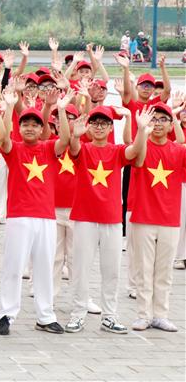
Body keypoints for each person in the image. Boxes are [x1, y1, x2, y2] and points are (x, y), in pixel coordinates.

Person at [65, 105, 152, 334]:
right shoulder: (84, 149)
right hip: (84, 217)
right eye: (95, 123)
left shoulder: (116, 150)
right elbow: (73, 149)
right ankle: (78, 314)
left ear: (111, 127)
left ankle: (109, 316)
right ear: (89, 127)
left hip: (112, 219)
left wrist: (141, 129)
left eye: (104, 123)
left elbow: (135, 151)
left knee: (112, 270)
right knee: (81, 268)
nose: (99, 127)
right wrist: (75, 135)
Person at [0, 89, 72, 336]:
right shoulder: (14, 149)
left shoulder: (49, 148)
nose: (29, 128)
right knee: (14, 266)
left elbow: (66, 140)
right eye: (25, 124)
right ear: (19, 128)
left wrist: (61, 109)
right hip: (19, 216)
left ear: (42, 129)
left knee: (44, 267)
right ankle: (6, 314)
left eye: (35, 125)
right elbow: (2, 137)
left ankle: (45, 315)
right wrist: (9, 107)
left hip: (46, 217)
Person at [129, 103, 186, 332]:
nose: (158, 124)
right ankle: (143, 315)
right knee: (143, 269)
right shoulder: (141, 146)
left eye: (163, 119)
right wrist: (142, 130)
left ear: (171, 125)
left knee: (164, 271)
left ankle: (160, 315)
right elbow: (138, 159)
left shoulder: (179, 151)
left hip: (170, 219)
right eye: (154, 119)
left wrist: (177, 118)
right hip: (143, 217)